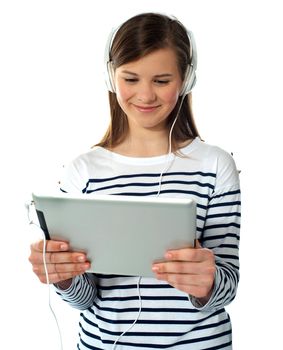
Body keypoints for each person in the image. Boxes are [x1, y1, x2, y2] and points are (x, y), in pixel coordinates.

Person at [29, 12, 241, 350]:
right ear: (112, 79)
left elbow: (228, 286)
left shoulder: (215, 166)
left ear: (185, 80)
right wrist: (64, 277)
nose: (145, 95)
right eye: (130, 79)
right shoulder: (84, 171)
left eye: (161, 80)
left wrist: (208, 282)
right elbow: (86, 299)